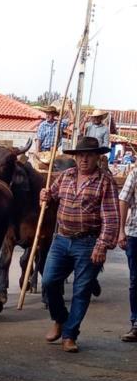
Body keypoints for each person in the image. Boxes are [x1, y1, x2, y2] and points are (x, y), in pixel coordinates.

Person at [39, 136, 119, 352]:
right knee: (48, 282)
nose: (84, 159)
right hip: (62, 239)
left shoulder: (105, 182)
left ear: (97, 157)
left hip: (88, 242)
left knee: (81, 290)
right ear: (75, 157)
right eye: (80, 155)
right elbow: (51, 195)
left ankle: (69, 335)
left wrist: (102, 245)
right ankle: (60, 318)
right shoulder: (66, 176)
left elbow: (111, 217)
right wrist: (44, 195)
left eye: (89, 155)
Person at [118, 167, 137, 342]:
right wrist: (121, 231)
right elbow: (123, 199)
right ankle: (136, 323)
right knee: (135, 280)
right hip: (135, 234)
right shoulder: (135, 173)